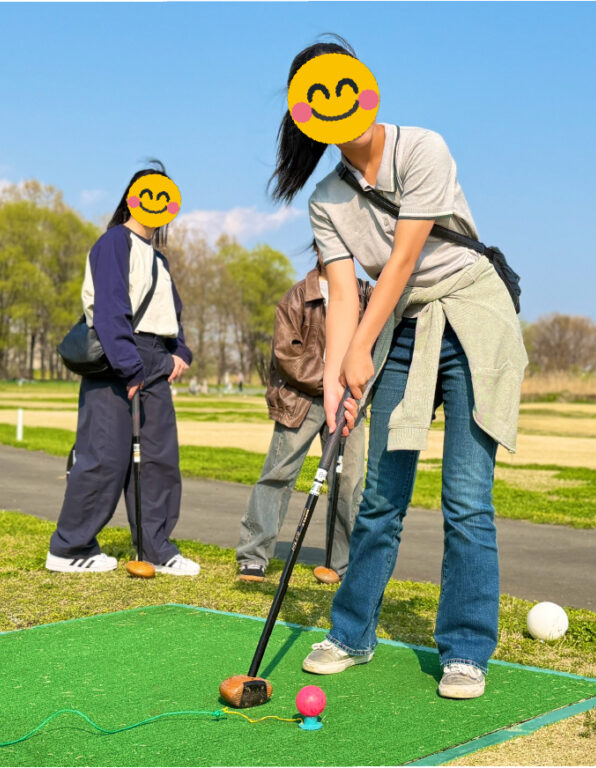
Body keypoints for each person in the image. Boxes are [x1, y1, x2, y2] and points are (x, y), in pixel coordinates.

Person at [271, 40, 527, 699]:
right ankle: (351, 633)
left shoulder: (423, 149)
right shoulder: (326, 199)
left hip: (471, 316)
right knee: (381, 496)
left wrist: (362, 347)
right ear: (304, 112)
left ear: (363, 86)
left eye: (342, 85)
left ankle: (466, 650)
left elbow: (405, 260)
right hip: (404, 325)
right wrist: (336, 380)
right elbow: (342, 296)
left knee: (466, 499)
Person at [47, 161, 199, 576]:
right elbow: (111, 310)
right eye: (149, 193)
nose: (157, 202)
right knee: (103, 456)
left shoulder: (159, 260)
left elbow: (171, 316)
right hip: (119, 361)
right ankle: (69, 547)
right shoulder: (113, 243)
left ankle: (155, 548)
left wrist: (181, 352)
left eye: (165, 195)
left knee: (159, 460)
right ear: (132, 198)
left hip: (154, 360)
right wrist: (131, 369)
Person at [235, 242, 371, 583]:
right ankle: (253, 554)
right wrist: (331, 384)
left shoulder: (366, 295)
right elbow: (287, 355)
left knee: (349, 482)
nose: (338, 250)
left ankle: (341, 564)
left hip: (350, 401)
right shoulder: (296, 297)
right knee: (278, 474)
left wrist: (352, 389)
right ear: (318, 248)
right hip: (301, 399)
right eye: (330, 243)